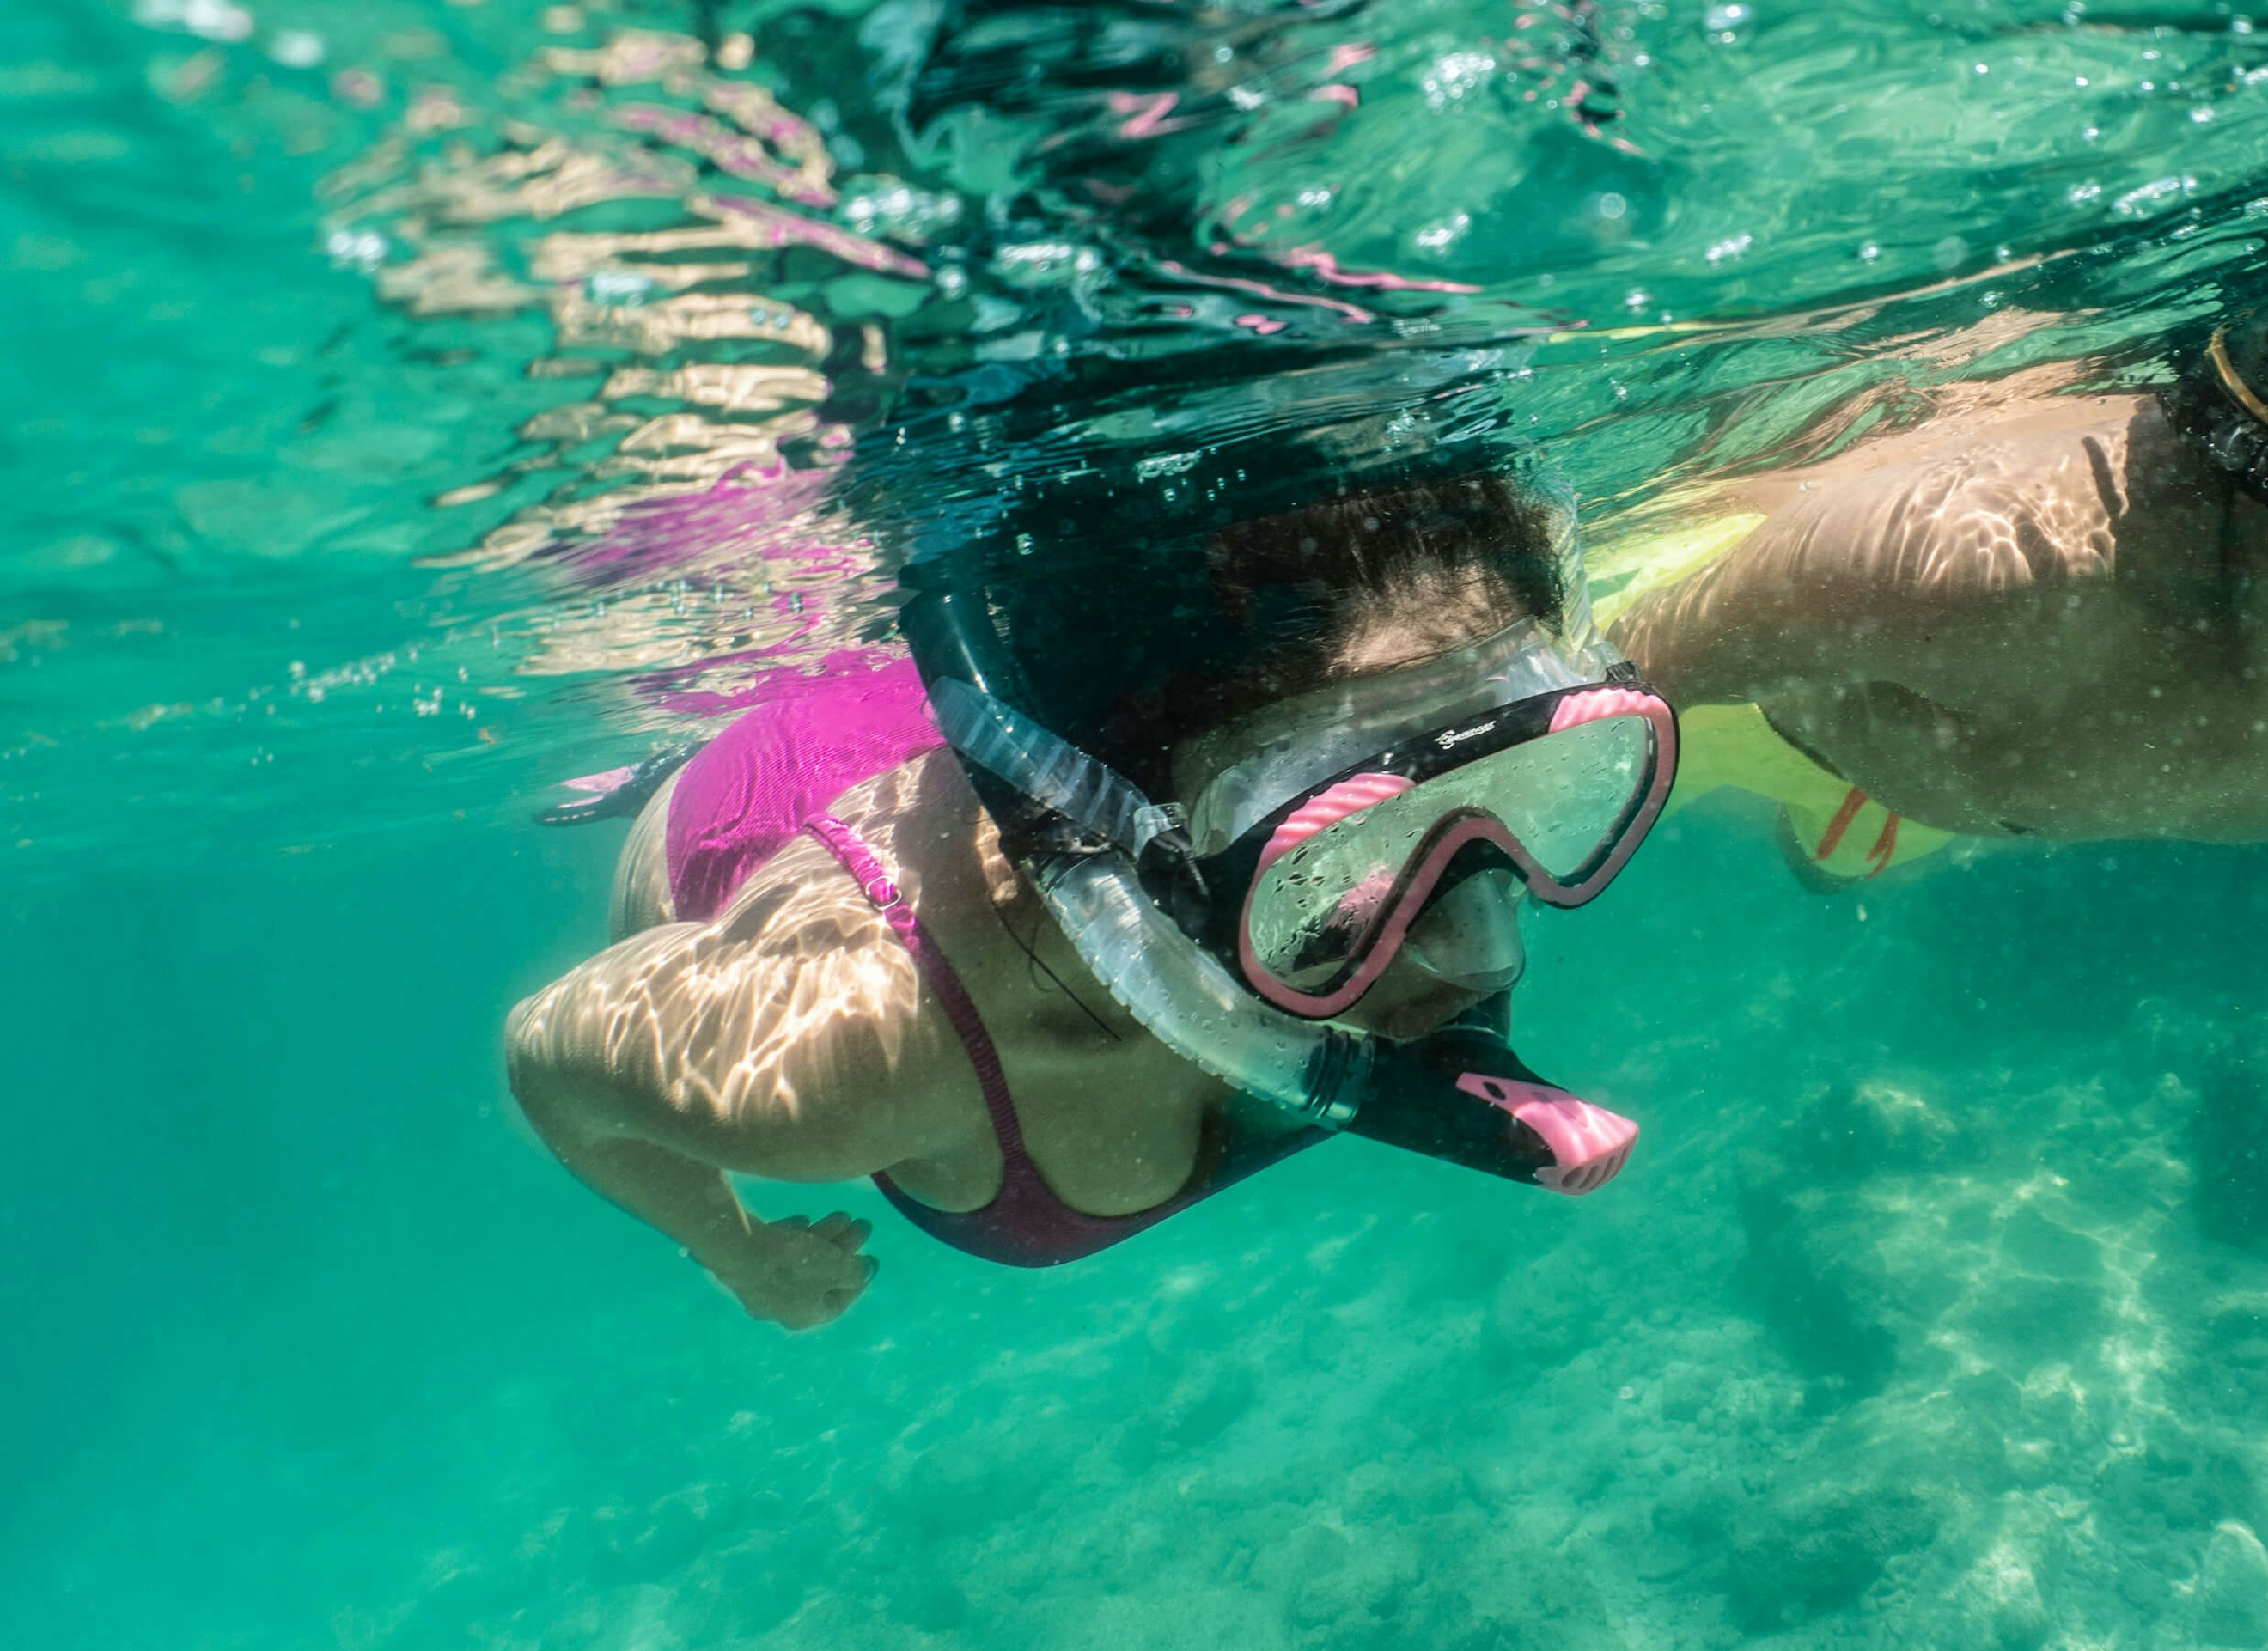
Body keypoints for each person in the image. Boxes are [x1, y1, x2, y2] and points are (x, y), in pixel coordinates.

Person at [507, 470, 1676, 1328]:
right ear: (1154, 845)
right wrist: (736, 1250)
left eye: (1532, 788)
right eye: (1358, 840)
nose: (1486, 953)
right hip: (765, 788)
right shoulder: (858, 1043)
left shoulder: (1380, 777)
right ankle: (670, 753)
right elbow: (544, 1065)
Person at [1603, 209, 2268, 872]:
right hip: (1746, 710)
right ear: (2222, 390)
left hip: (1952, 794)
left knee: (1847, 861)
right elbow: (1610, 681)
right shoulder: (1974, 571)